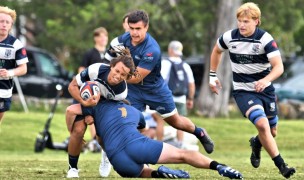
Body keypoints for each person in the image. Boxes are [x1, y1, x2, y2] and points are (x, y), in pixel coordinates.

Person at [105, 9, 214, 155]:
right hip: (133, 91)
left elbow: (137, 77)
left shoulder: (152, 49)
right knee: (128, 121)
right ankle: (137, 157)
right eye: (131, 29)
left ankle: (199, 132)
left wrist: (116, 77)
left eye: (138, 29)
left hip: (154, 90)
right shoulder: (123, 40)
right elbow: (109, 58)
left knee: (176, 121)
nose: (134, 33)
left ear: (146, 27)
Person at [209, 2, 295, 179]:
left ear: (257, 21)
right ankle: (282, 166)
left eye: (246, 21)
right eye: (239, 20)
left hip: (265, 90)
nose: (241, 25)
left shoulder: (265, 39)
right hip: (243, 91)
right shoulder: (229, 37)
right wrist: (212, 75)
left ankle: (256, 143)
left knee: (271, 132)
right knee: (262, 124)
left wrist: (265, 80)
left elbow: (279, 67)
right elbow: (216, 51)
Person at [66, 98, 243, 179]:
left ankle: (159, 174)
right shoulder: (136, 112)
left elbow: (74, 113)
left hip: (117, 159)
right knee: (183, 154)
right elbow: (144, 129)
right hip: (137, 144)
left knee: (141, 172)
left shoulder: (98, 106)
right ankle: (220, 167)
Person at [66, 49, 137, 178]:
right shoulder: (95, 70)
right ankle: (73, 168)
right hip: (86, 101)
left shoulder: (121, 93)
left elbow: (107, 110)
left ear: (127, 77)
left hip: (105, 107)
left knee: (102, 138)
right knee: (78, 130)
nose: (118, 76)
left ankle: (106, 154)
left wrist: (91, 115)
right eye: (117, 70)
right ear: (112, 65)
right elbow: (72, 86)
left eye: (123, 75)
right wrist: (84, 103)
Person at [153, 40, 196, 148]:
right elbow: (191, 84)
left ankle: (159, 145)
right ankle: (180, 145)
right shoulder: (185, 65)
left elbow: (159, 80)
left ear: (170, 50)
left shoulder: (165, 63)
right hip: (181, 98)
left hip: (166, 97)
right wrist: (190, 99)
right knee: (180, 121)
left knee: (160, 120)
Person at [0, 6, 28, 125]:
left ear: (11, 25)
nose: (4, 25)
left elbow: (23, 69)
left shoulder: (16, 44)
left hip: (3, 91)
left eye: (7, 22)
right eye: (1, 21)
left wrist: (9, 73)